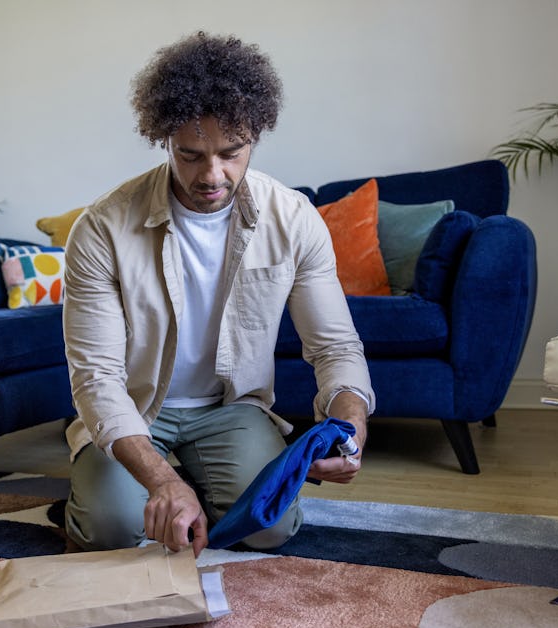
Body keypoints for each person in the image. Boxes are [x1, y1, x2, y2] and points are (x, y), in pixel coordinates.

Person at [62, 32, 374, 557]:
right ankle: (134, 492)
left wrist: (351, 426)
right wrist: (161, 480)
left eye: (231, 153)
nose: (212, 175)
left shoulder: (295, 219)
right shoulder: (102, 228)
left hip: (232, 408)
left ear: (256, 135)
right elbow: (97, 380)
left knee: (270, 527)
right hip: (135, 410)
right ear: (164, 139)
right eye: (191, 154)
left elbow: (335, 348)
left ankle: (192, 492)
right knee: (111, 530)